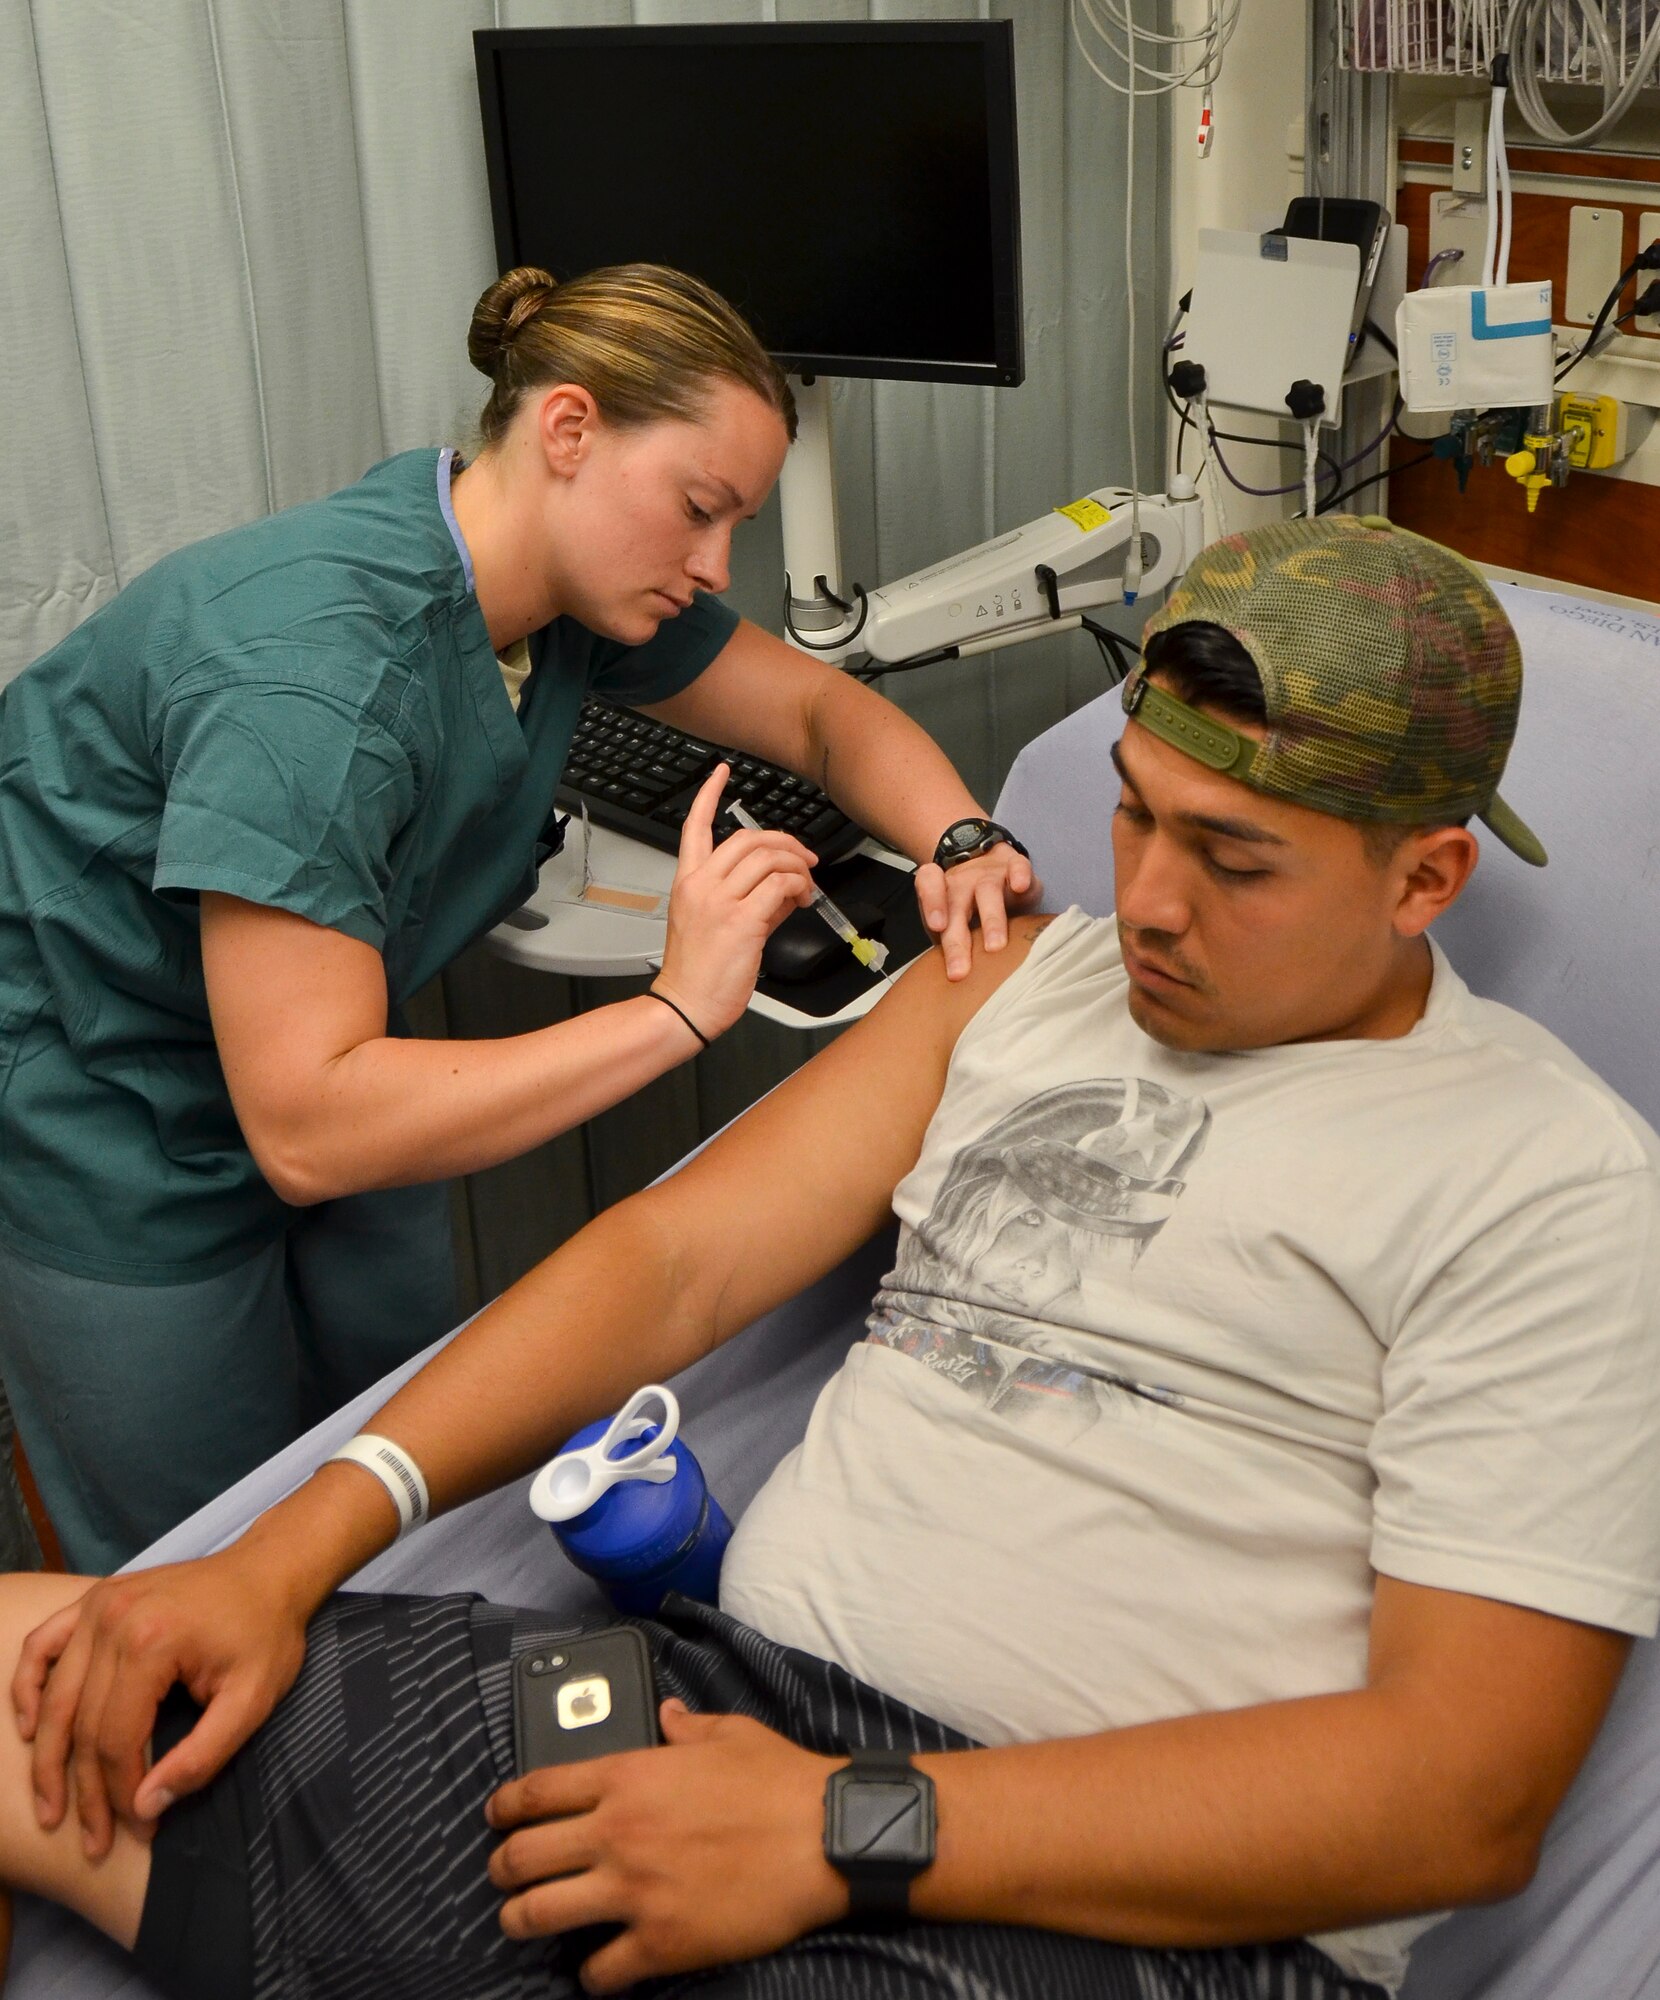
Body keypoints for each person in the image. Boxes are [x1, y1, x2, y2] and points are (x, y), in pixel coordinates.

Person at [4, 515, 1656, 2000]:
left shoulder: (1551, 1182)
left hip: (1126, 1904)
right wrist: (281, 1556)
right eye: (1137, 819)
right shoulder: (1017, 984)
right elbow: (674, 1266)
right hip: (721, 1716)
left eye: (1233, 861)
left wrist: (842, 1825)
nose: (1145, 901)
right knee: (44, 1673)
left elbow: (1459, 1792)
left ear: (1424, 877)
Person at [0, 261, 1039, 1575]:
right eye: (699, 510)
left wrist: (962, 834)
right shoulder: (316, 681)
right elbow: (312, 1130)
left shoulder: (551, 598)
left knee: (404, 1474)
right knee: (200, 1570)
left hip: (342, 1058)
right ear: (566, 430)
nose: (716, 566)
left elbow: (823, 714)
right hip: (106, 1108)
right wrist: (677, 1009)